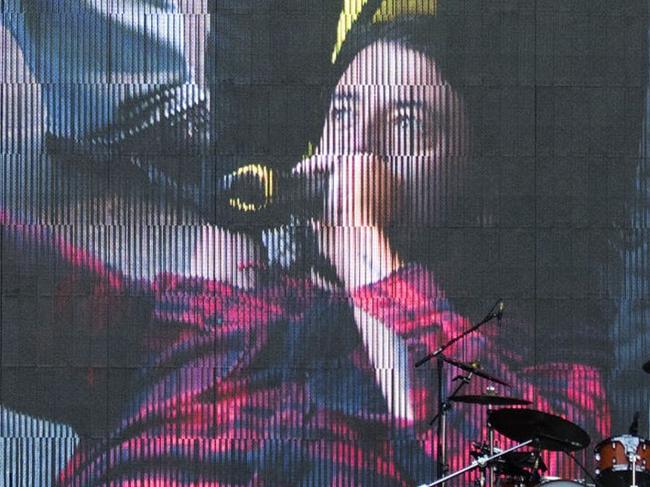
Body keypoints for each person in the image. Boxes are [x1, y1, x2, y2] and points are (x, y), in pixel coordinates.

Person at [1, 1, 647, 486]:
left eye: (407, 126)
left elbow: (533, 469)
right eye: (341, 117)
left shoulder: (543, 358)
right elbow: (49, 301)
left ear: (478, 191)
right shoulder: (235, 306)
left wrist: (370, 258)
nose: (354, 156)